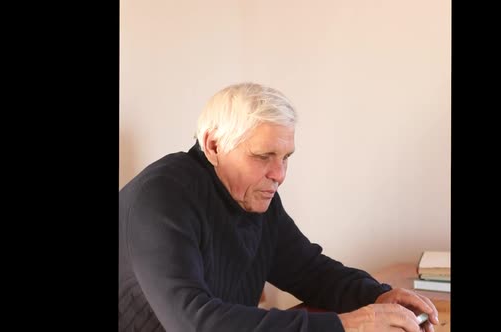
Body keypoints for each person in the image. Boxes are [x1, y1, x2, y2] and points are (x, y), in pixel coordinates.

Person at [119, 82, 439, 332]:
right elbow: (195, 323)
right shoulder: (161, 198)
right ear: (213, 145)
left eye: (286, 157)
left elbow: (309, 271)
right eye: (263, 157)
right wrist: (347, 325)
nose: (280, 175)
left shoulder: (254, 194)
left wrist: (377, 296)